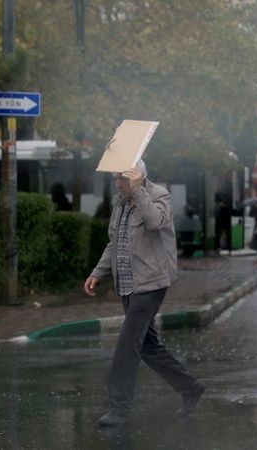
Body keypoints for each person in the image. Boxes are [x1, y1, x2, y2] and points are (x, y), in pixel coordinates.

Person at [84, 159, 205, 427]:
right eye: (116, 178)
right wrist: (97, 273)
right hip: (127, 284)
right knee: (148, 346)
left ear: (137, 177)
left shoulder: (158, 195)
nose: (118, 183)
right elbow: (114, 243)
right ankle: (190, 387)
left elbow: (155, 222)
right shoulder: (120, 203)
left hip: (151, 283)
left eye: (123, 179)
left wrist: (138, 190)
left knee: (127, 345)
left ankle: (119, 408)